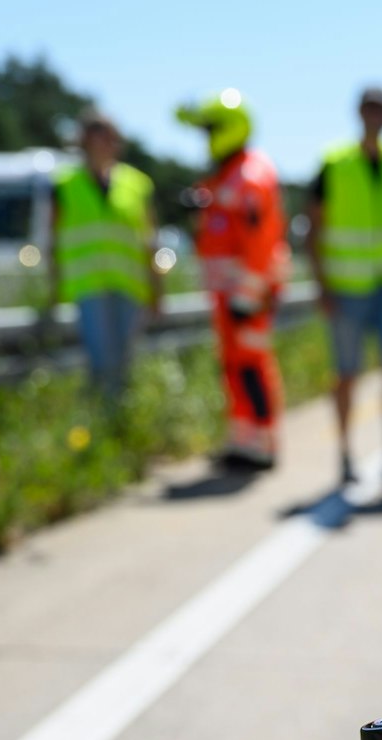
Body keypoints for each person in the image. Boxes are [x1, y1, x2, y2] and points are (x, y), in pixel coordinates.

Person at [305, 86, 382, 485]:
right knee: (346, 373)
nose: (375, 114)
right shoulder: (334, 162)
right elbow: (314, 225)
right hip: (347, 287)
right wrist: (321, 285)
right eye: (369, 107)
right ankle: (345, 455)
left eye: (381, 108)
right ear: (358, 112)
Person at [175, 89, 290, 469]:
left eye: (210, 131)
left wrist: (246, 296)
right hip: (229, 296)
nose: (206, 140)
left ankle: (265, 443)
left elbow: (260, 244)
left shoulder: (250, 175)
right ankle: (244, 442)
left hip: (245, 296)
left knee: (251, 365)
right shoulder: (229, 174)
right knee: (233, 366)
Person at [49, 109, 160, 398]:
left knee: (124, 363)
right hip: (88, 286)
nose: (104, 143)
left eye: (109, 136)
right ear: (84, 140)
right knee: (102, 362)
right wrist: (53, 289)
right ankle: (104, 425)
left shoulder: (137, 183)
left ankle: (119, 425)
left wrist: (157, 288)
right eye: (98, 136)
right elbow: (52, 240)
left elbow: (150, 240)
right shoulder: (63, 183)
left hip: (130, 287)